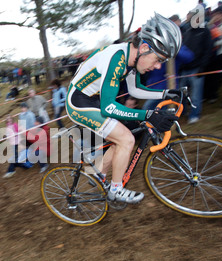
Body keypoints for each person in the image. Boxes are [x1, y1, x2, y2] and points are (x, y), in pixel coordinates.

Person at [65, 13, 182, 204]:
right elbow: (109, 107)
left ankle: (98, 173)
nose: (158, 65)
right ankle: (116, 190)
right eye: (158, 58)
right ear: (144, 47)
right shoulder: (117, 58)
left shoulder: (130, 58)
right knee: (126, 138)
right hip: (79, 102)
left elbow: (135, 89)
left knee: (121, 137)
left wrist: (166, 94)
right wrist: (148, 114)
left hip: (94, 99)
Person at [178, 8, 213, 123]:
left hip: (197, 68)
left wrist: (203, 67)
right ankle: (182, 112)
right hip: (184, 69)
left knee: (196, 95)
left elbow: (208, 50)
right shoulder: (187, 32)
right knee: (181, 94)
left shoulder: (204, 31)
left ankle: (194, 115)